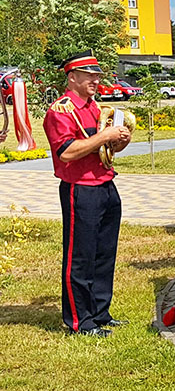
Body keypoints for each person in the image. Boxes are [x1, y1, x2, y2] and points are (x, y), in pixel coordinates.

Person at [43, 51, 132, 337]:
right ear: (72, 77)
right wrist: (105, 136)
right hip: (80, 187)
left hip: (105, 183)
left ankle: (100, 313)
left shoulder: (96, 108)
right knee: (80, 256)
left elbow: (104, 149)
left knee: (105, 253)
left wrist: (120, 141)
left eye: (97, 76)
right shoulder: (61, 110)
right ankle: (80, 321)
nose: (96, 80)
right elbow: (67, 152)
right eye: (89, 76)